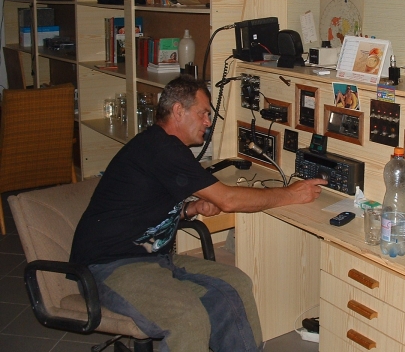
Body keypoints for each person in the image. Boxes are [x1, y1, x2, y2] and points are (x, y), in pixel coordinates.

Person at [70, 76, 326, 352]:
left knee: (234, 284)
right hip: (109, 266)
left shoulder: (165, 147)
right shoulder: (160, 148)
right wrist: (290, 194)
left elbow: (142, 208)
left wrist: (190, 209)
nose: (208, 122)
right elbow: (228, 200)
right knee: (187, 318)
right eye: (203, 113)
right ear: (178, 111)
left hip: (152, 259)